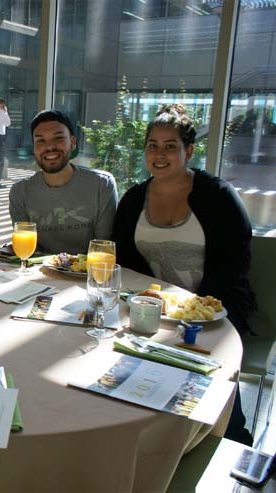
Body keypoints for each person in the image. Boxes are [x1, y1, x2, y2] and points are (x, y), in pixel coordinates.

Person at [113, 103, 256, 446]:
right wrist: (155, 302)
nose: (159, 154)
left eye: (170, 146)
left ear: (188, 150)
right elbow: (126, 259)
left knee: (196, 351)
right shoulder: (134, 199)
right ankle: (148, 436)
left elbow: (236, 262)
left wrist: (191, 308)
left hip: (216, 304)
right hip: (156, 304)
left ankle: (230, 436)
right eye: (152, 145)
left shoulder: (217, 195)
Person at [9, 109, 118, 254]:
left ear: (72, 142)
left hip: (86, 274)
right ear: (34, 147)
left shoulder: (101, 184)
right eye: (40, 140)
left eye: (58, 138)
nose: (49, 147)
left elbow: (104, 250)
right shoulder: (20, 192)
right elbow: (26, 251)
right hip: (39, 273)